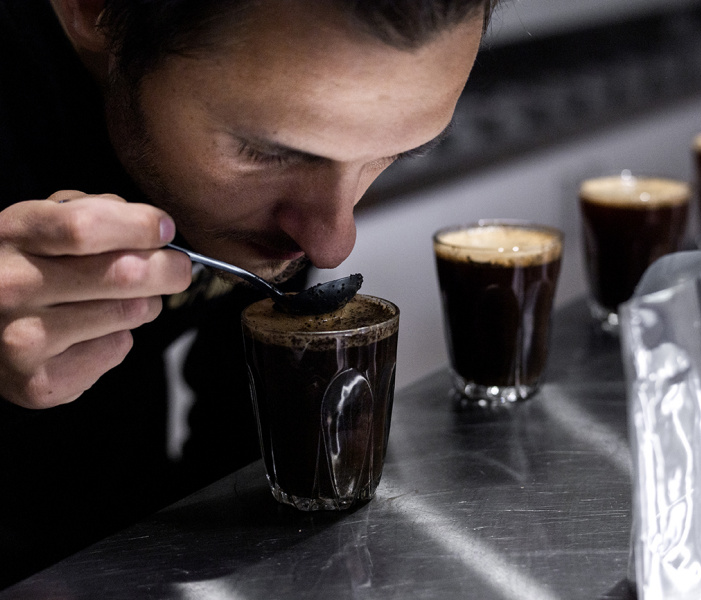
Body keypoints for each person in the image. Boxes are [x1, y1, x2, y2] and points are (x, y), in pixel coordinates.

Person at [0, 0, 495, 587]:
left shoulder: (291, 193)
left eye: (392, 156)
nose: (331, 243)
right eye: (268, 153)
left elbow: (235, 437)